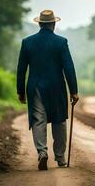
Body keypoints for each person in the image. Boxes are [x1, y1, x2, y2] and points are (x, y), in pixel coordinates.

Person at [16, 10, 79, 170]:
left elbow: (21, 69)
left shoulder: (27, 42)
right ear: (54, 24)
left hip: (35, 86)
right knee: (59, 121)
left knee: (38, 120)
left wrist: (20, 91)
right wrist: (74, 90)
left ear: (39, 23)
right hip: (56, 86)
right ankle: (60, 158)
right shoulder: (61, 42)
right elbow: (69, 67)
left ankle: (42, 152)